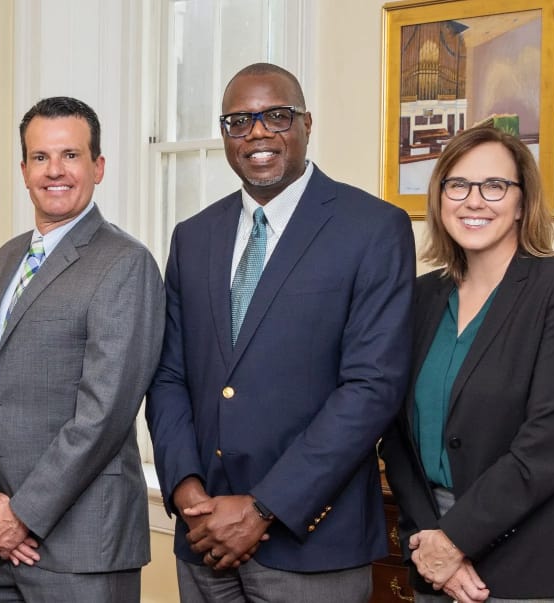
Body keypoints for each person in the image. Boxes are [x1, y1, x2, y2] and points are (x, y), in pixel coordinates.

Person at [146, 62, 415, 602]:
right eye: (239, 121)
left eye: (276, 116)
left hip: (312, 546)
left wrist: (264, 507)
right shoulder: (193, 237)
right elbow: (168, 374)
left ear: (307, 123)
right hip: (203, 541)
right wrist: (187, 490)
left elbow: (371, 389)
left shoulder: (372, 228)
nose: (258, 133)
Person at [379, 126, 554, 603]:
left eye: (495, 186)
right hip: (434, 554)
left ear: (523, 202)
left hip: (536, 558)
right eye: (457, 185)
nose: (474, 201)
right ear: (440, 198)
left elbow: (550, 446)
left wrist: (456, 539)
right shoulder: (420, 298)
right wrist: (428, 543)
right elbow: (397, 438)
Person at [0, 96, 165, 602]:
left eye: (70, 155)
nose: (55, 171)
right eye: (40, 157)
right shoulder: (8, 258)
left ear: (98, 167)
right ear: (24, 169)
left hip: (81, 550)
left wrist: (23, 513)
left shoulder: (125, 263)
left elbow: (103, 415)